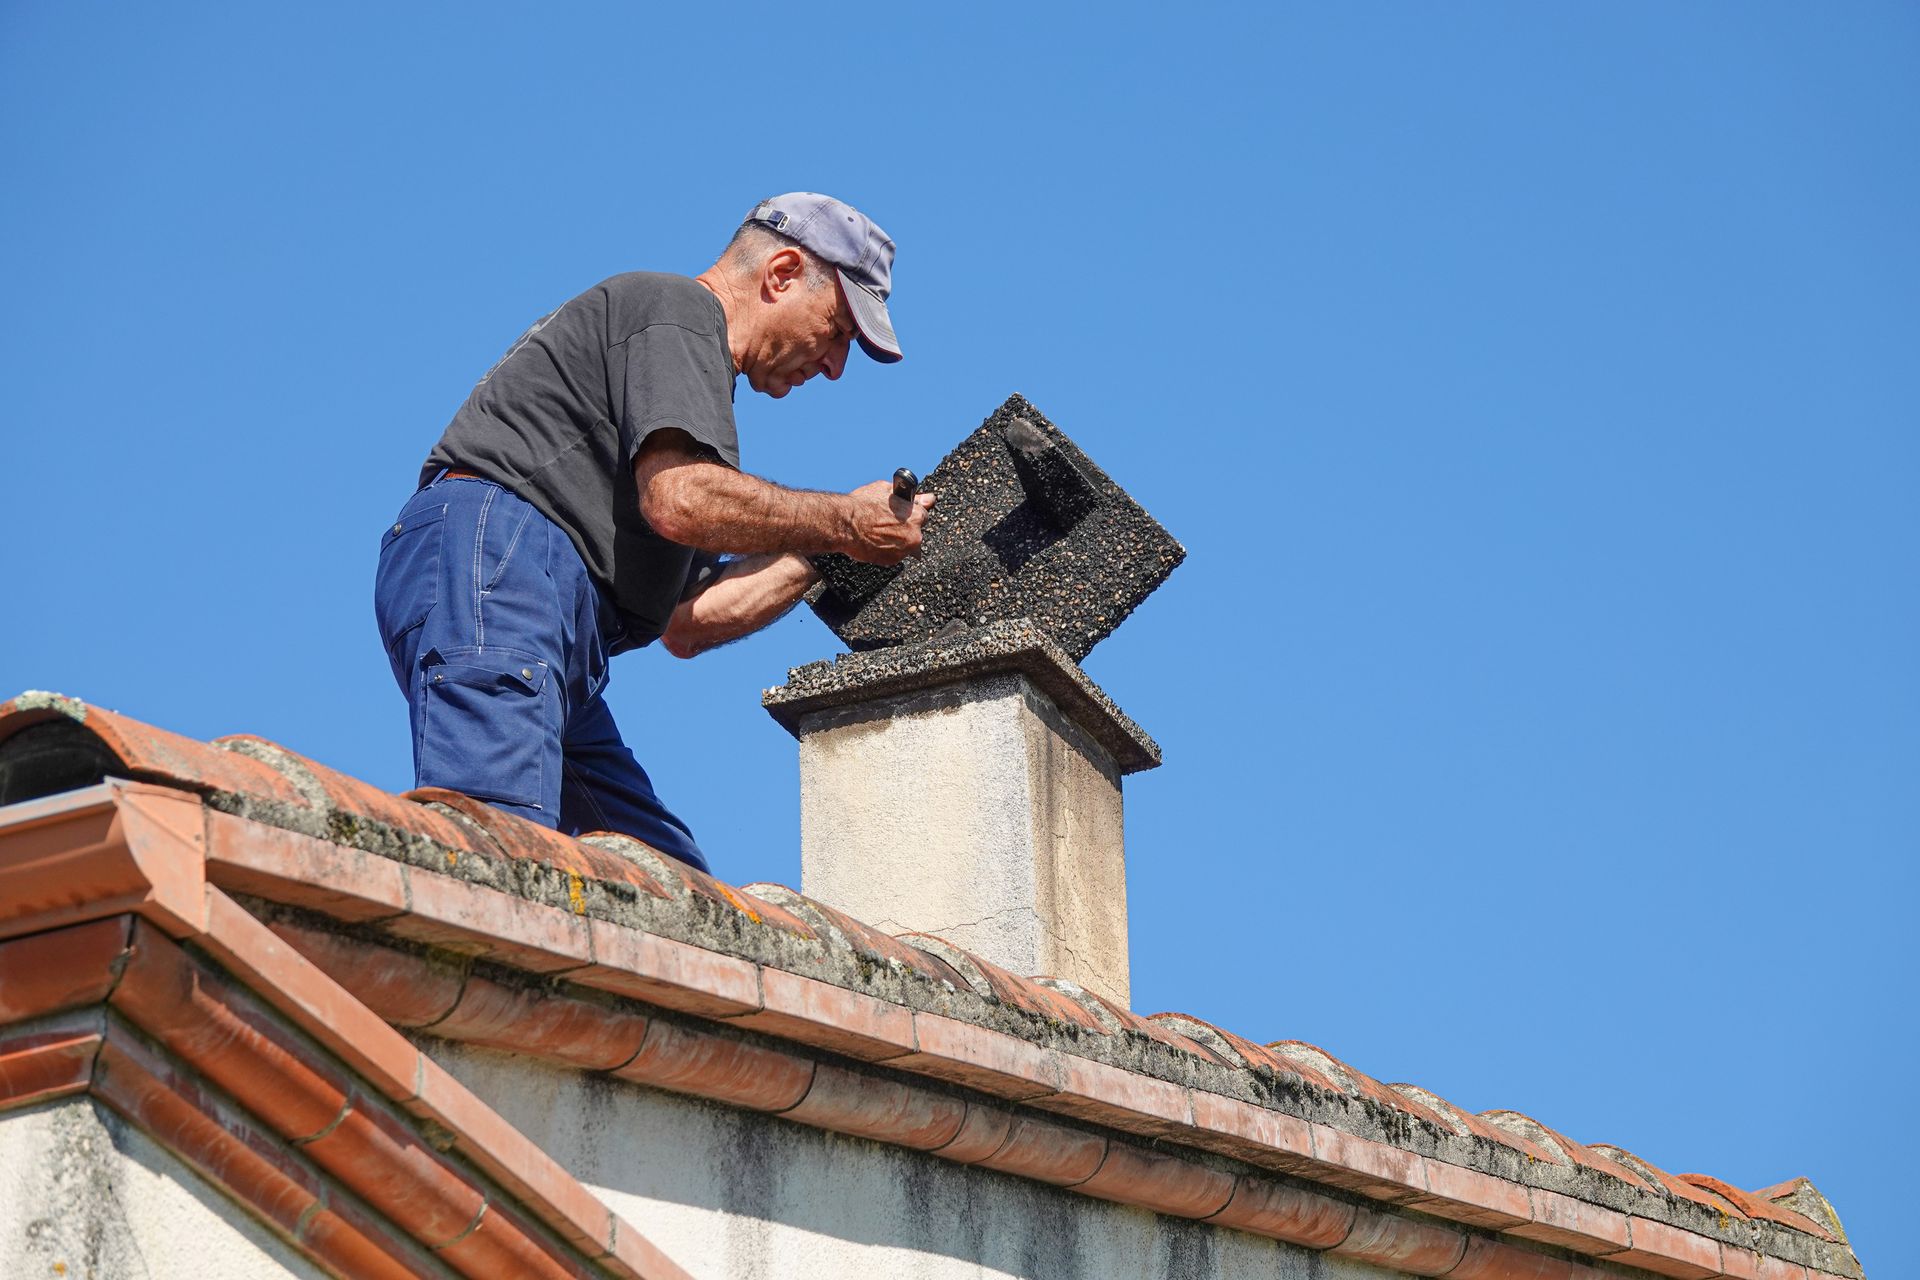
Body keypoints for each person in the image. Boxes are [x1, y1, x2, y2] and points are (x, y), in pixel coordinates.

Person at [373, 193, 932, 873]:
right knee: (502, 857)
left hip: (556, 626)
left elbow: (689, 621)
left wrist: (832, 550)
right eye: (840, 329)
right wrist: (845, 520)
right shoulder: (677, 313)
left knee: (672, 893)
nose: (836, 365)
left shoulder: (688, 400)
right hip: (500, 562)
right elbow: (679, 499)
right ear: (782, 273)